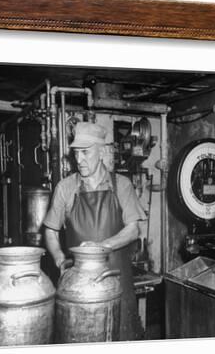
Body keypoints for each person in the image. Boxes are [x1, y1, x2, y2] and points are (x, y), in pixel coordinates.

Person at [43, 122, 146, 341]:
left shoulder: (122, 185)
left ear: (102, 151)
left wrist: (99, 248)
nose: (79, 159)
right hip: (80, 289)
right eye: (76, 153)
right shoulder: (66, 188)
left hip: (117, 283)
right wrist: (60, 259)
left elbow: (133, 230)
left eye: (85, 152)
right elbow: (51, 230)